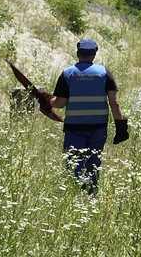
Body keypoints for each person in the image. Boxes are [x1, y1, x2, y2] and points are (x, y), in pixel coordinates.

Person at [43, 38, 127, 193]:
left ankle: (77, 191)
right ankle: (91, 193)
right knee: (93, 161)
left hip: (74, 127)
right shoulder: (104, 73)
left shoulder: (67, 73)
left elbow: (60, 103)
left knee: (74, 162)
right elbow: (114, 104)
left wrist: (49, 101)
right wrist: (121, 127)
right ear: (94, 54)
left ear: (77, 53)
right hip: (98, 127)